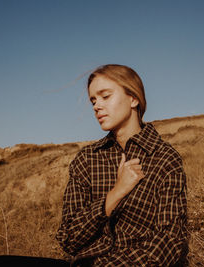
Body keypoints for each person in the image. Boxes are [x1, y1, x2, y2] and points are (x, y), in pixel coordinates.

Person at [56, 64, 188, 266]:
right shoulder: (87, 160)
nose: (96, 106)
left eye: (105, 96)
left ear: (133, 99)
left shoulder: (165, 158)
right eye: (93, 100)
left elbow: (170, 240)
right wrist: (116, 192)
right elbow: (68, 239)